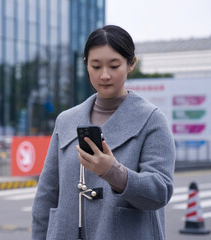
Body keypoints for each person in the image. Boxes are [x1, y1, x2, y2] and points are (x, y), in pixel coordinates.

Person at [31, 25, 175, 240]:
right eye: (95, 66)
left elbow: (159, 191)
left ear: (131, 64)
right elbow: (46, 195)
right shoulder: (66, 121)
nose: (104, 75)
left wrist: (113, 172)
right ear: (86, 65)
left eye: (114, 65)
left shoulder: (151, 120)